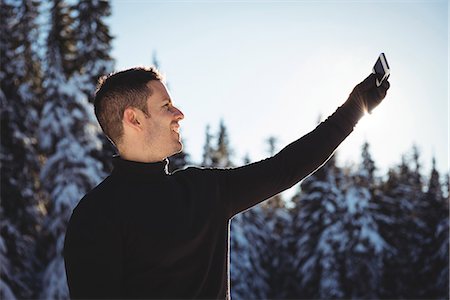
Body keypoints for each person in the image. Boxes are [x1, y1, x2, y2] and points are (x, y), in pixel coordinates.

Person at [63, 66, 390, 299]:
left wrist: (354, 108)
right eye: (165, 106)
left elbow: (286, 167)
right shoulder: (96, 216)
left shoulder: (204, 191)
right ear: (133, 118)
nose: (180, 113)